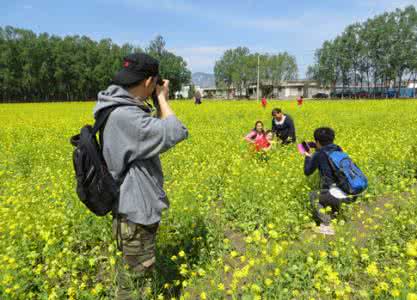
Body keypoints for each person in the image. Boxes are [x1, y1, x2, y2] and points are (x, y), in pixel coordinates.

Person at [93, 53, 188, 299]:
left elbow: (149, 139)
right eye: (154, 84)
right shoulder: (125, 116)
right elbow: (175, 131)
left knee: (134, 278)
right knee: (135, 287)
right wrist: (162, 99)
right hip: (134, 213)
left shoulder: (118, 108)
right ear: (148, 82)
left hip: (131, 210)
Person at [303, 127, 357, 235]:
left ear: (317, 141)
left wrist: (308, 156)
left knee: (313, 195)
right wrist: (317, 146)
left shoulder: (319, 154)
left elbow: (307, 171)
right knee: (331, 190)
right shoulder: (338, 149)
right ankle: (336, 213)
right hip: (352, 192)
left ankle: (326, 225)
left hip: (334, 195)